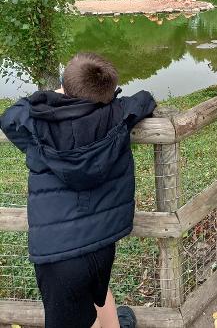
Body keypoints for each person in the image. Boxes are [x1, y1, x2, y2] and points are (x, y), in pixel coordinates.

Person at [0, 52, 156, 327]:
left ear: (63, 85)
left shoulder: (38, 122)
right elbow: (145, 99)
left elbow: (10, 117)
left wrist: (53, 95)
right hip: (101, 244)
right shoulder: (119, 114)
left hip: (58, 257)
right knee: (96, 295)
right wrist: (109, 101)